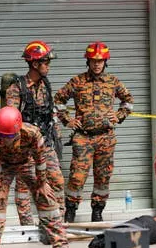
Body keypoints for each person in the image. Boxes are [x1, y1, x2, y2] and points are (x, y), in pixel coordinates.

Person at [0, 106, 77, 248]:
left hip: (28, 163)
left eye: (11, 135)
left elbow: (41, 160)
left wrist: (41, 183)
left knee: (47, 199)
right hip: (4, 165)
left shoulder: (32, 133)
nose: (7, 139)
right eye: (3, 136)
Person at [54, 41, 134, 222]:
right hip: (83, 138)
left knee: (103, 177)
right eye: (93, 61)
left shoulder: (113, 82)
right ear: (88, 62)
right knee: (77, 177)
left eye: (100, 61)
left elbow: (128, 100)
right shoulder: (77, 81)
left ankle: (97, 211)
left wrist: (119, 116)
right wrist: (67, 120)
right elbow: (58, 99)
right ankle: (71, 210)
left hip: (106, 137)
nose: (97, 64)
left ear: (105, 62)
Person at [4, 40, 65, 225]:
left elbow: (50, 111)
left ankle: (55, 223)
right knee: (24, 188)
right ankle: (27, 227)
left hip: (46, 144)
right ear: (34, 63)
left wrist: (57, 137)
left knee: (57, 182)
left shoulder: (45, 84)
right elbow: (10, 121)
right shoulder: (17, 88)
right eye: (45, 62)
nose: (48, 66)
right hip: (25, 149)